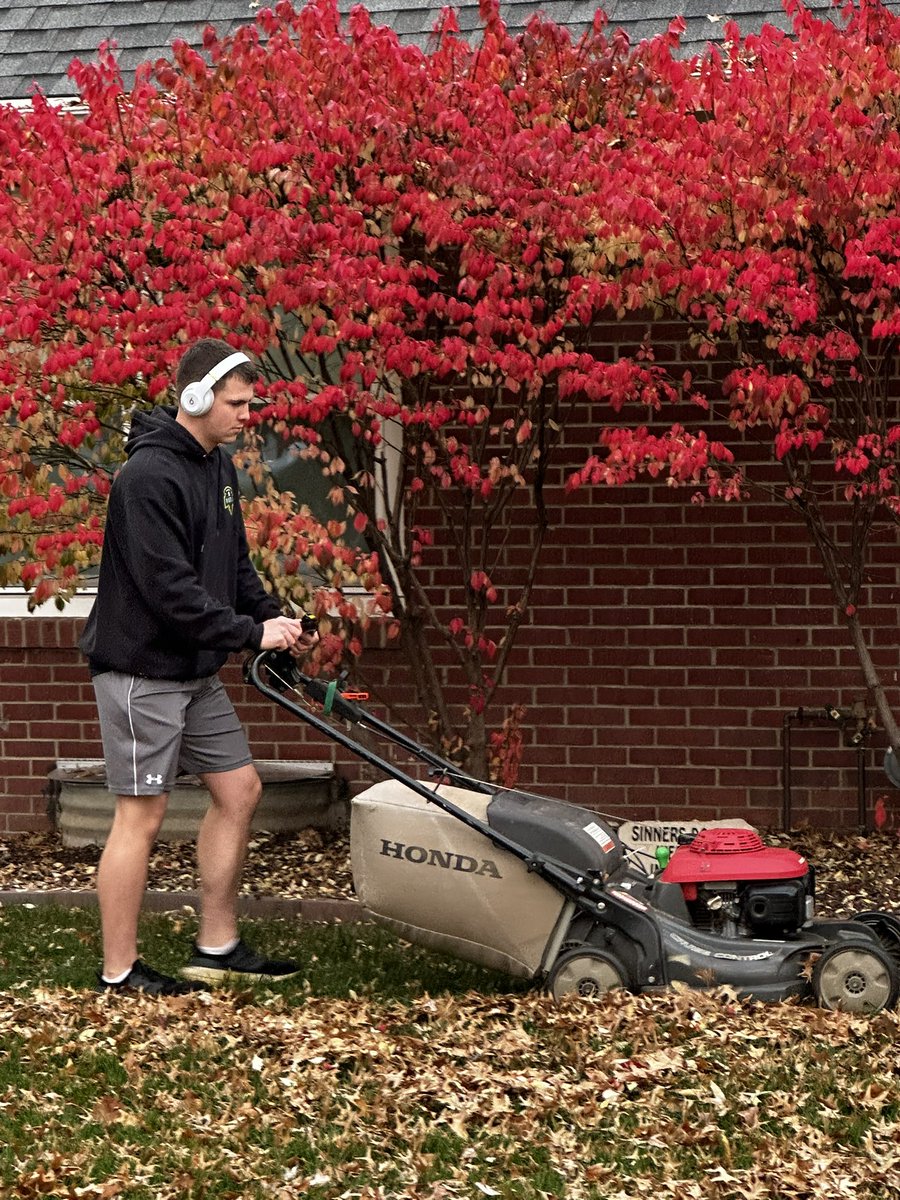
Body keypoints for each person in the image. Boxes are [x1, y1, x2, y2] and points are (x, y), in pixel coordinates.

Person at [79, 337, 316, 996]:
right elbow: (170, 591)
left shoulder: (217, 468)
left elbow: (233, 568)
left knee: (239, 790)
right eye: (236, 403)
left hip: (193, 667)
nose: (247, 415)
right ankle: (119, 974)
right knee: (141, 817)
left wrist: (277, 624)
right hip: (141, 670)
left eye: (249, 403)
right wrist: (248, 633)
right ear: (196, 398)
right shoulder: (147, 477)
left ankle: (216, 945)